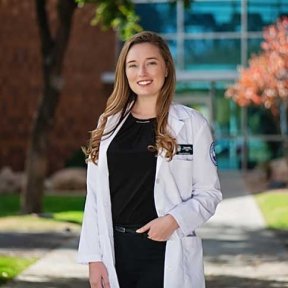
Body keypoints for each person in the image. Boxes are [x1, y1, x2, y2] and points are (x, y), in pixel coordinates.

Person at [77, 31, 222, 288]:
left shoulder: (191, 124)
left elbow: (209, 193)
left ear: (166, 67)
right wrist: (93, 258)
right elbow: (95, 198)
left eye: (151, 63)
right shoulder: (108, 124)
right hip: (116, 251)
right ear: (125, 72)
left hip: (167, 248)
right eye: (133, 65)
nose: (142, 72)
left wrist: (174, 221)